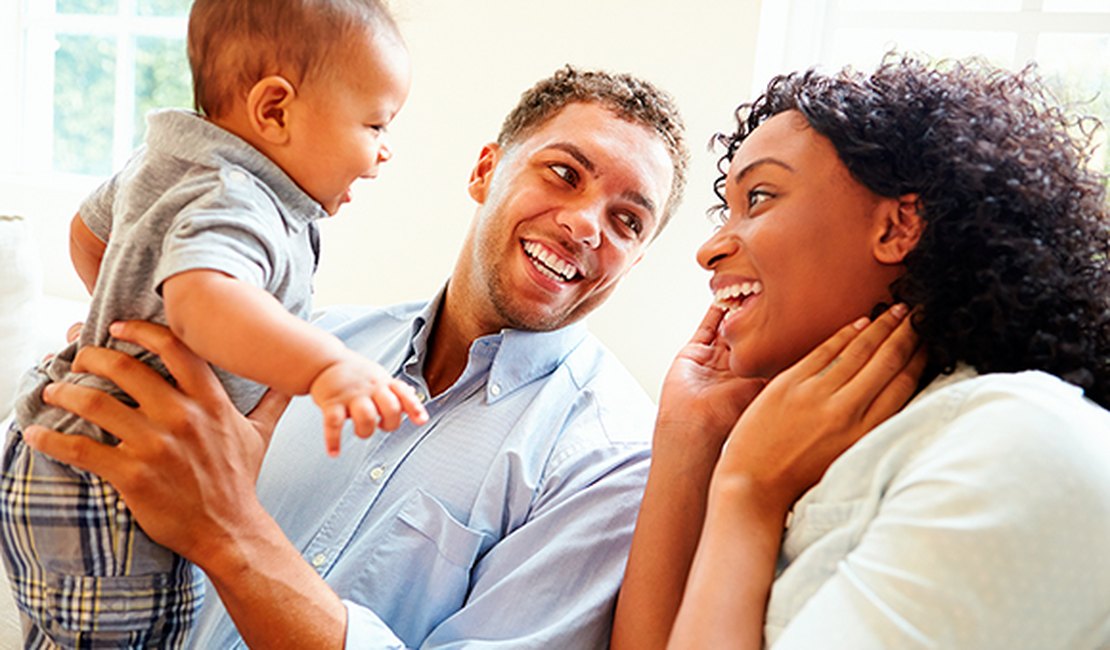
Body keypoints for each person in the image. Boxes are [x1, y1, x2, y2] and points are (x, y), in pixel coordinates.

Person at [20, 64, 691, 648]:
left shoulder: (612, 467)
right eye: (564, 174)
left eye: (628, 220)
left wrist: (228, 529)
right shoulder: (305, 339)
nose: (585, 225)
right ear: (486, 170)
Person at [612, 54, 1110, 649]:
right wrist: (689, 434)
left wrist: (746, 497)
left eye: (762, 197)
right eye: (729, 210)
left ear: (897, 228)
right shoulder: (822, 455)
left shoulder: (1014, 442)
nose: (711, 249)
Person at [1, 1, 426, 646]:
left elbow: (88, 234)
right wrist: (326, 364)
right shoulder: (240, 197)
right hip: (110, 483)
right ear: (275, 110)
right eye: (374, 124)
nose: (384, 152)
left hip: (60, 459)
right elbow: (204, 302)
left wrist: (113, 317)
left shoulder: (169, 159)